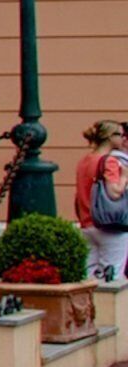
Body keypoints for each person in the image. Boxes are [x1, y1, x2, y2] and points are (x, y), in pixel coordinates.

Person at [79, 121, 128, 284]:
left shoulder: (85, 161)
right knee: (112, 277)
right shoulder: (109, 161)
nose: (122, 138)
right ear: (109, 137)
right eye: (119, 135)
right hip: (109, 225)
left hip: (87, 223)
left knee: (89, 275)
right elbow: (114, 192)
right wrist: (124, 176)